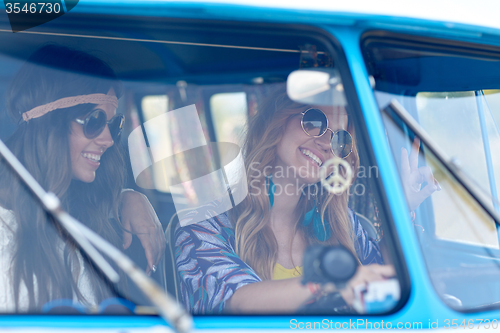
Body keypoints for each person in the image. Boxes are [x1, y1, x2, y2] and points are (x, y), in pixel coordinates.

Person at [174, 87, 438, 314]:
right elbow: (238, 302)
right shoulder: (203, 225)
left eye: (339, 139)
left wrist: (402, 211)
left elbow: (384, 277)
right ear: (276, 123)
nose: (327, 143)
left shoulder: (340, 222)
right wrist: (333, 283)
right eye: (314, 122)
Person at [0, 45, 165, 312]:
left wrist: (130, 197)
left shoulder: (82, 211)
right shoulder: (6, 234)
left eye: (114, 124)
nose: (109, 140)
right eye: (94, 120)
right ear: (50, 124)